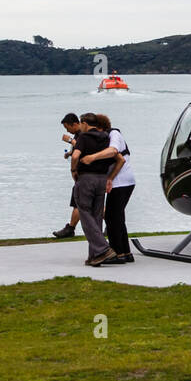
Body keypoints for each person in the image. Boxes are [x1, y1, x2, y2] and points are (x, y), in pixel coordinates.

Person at [79, 113, 135, 263]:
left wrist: (93, 158)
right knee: (117, 217)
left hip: (121, 181)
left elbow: (115, 154)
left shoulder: (114, 134)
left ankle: (117, 253)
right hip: (120, 182)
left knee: (111, 217)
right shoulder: (107, 136)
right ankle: (125, 252)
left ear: (100, 127)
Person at [70, 113, 117, 267]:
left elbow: (75, 155)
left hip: (86, 178)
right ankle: (95, 256)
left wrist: (73, 170)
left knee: (84, 213)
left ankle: (103, 249)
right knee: (96, 216)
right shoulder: (105, 137)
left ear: (84, 123)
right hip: (101, 178)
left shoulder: (83, 137)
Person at [52, 113, 83, 239]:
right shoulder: (78, 135)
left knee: (79, 202)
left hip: (82, 174)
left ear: (74, 124)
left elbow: (85, 149)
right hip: (83, 174)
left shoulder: (82, 135)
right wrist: (70, 153)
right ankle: (111, 223)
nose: (67, 131)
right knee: (87, 204)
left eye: (67, 128)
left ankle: (70, 229)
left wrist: (70, 140)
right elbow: (79, 149)